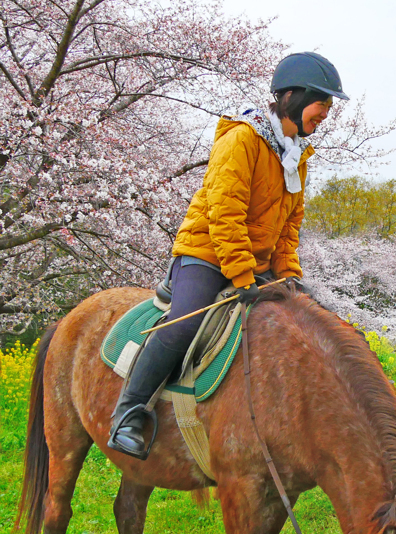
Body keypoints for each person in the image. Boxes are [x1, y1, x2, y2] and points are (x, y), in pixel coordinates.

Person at [108, 52, 349, 459]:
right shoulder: (242, 139)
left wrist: (287, 275)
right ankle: (128, 413)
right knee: (186, 325)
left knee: (307, 318)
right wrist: (241, 278)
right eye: (321, 103)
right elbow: (225, 213)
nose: (325, 114)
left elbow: (290, 226)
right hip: (207, 253)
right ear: (292, 96)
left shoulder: (296, 156)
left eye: (328, 106)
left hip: (255, 264)